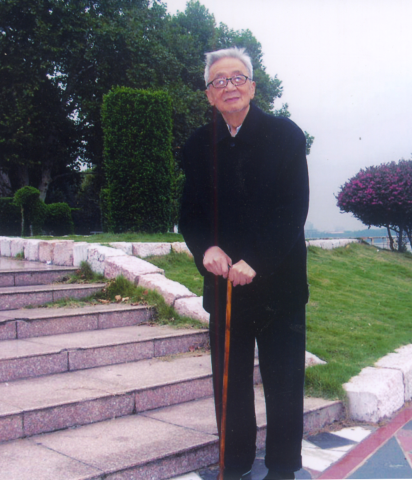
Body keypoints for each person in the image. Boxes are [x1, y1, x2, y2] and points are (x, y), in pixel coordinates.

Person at [179, 47, 309, 480]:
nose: (229, 86)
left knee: (284, 383)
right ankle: (234, 465)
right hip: (224, 285)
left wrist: (257, 260)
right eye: (219, 81)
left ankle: (283, 469)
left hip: (279, 286)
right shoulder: (197, 146)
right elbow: (191, 214)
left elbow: (293, 209)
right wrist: (206, 249)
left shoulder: (285, 136)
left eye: (238, 78)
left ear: (252, 87)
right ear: (209, 95)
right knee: (230, 383)